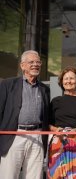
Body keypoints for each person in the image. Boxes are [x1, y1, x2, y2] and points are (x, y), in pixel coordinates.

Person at [0, 50, 50, 179]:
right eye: (31, 62)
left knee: (35, 175)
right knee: (9, 174)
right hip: (14, 135)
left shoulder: (45, 89)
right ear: (22, 65)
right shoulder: (7, 84)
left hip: (37, 136)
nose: (35, 64)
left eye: (38, 62)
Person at [47, 66, 76, 179]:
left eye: (72, 78)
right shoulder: (55, 101)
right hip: (58, 143)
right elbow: (47, 122)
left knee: (75, 174)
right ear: (62, 82)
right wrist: (56, 130)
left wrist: (75, 130)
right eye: (65, 79)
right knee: (57, 174)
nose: (68, 81)